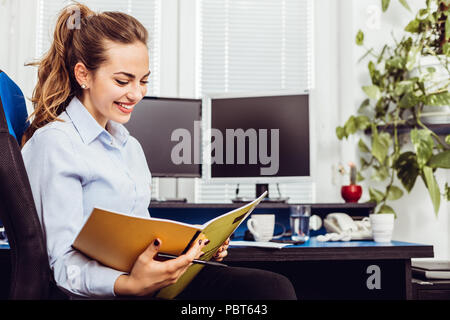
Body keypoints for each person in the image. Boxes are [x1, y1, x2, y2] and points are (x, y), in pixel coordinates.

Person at [21, 2, 297, 300]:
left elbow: (140, 238)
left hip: (147, 285)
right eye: (123, 81)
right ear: (83, 75)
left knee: (271, 287)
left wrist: (195, 245)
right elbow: (61, 266)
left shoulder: (129, 147)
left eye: (143, 80)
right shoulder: (55, 144)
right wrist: (130, 284)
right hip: (111, 292)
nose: (137, 93)